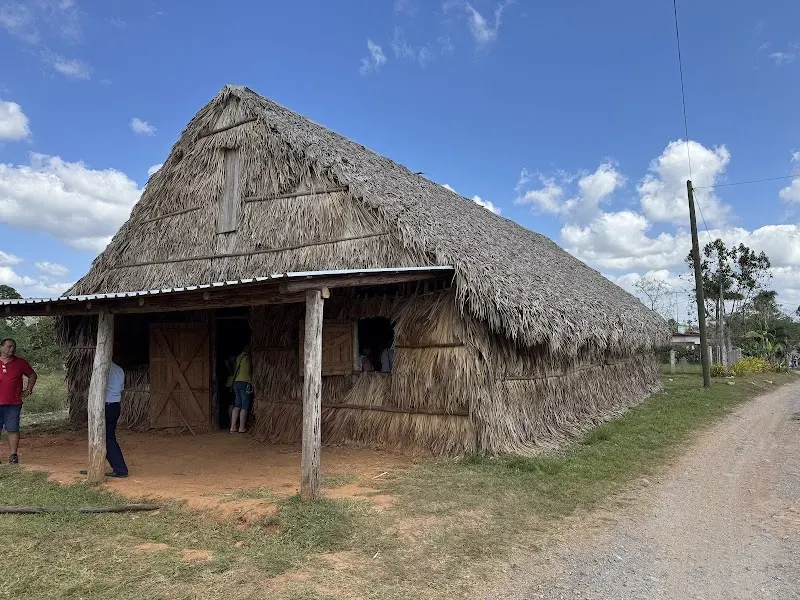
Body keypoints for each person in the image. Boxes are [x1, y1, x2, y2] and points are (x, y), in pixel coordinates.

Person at [79, 359, 128, 478]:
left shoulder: (101, 368)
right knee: (107, 436)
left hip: (105, 404)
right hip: (115, 404)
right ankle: (99, 466)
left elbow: (98, 387)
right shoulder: (119, 369)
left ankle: (120, 469)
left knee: (106, 438)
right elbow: (121, 388)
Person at [0, 338, 37, 465]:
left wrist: (28, 390)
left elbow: (32, 375)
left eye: (14, 347)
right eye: (9, 346)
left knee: (13, 428)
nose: (12, 349)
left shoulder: (20, 362)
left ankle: (13, 455)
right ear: (2, 347)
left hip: (13, 402)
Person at [230, 344, 253, 433]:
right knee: (245, 404)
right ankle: (242, 427)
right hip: (244, 382)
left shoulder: (239, 357)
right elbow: (249, 371)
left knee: (237, 404)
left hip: (236, 382)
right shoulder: (247, 358)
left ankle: (233, 427)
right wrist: (252, 382)